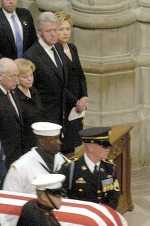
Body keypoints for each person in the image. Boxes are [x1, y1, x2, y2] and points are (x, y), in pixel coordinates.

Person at [23, 11, 69, 127]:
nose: (53, 34)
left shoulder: (58, 47)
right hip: (45, 116)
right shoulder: (31, 55)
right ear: (39, 32)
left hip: (63, 113)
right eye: (48, 31)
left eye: (55, 30)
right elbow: (32, 90)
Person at [55, 11, 88, 156]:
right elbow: (59, 83)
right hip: (65, 104)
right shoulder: (55, 51)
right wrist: (75, 101)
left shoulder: (72, 48)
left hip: (77, 106)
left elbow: (81, 74)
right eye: (61, 29)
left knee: (74, 143)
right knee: (65, 146)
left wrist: (84, 96)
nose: (65, 33)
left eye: (67, 29)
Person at [3, 122, 67, 194]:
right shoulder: (21, 167)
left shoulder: (62, 160)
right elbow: (10, 197)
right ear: (42, 142)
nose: (59, 142)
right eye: (54, 139)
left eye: (58, 138)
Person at [14, 58, 43, 153]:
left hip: (36, 140)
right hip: (23, 144)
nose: (30, 79)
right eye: (25, 77)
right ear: (16, 78)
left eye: (31, 75)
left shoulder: (34, 91)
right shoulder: (14, 95)